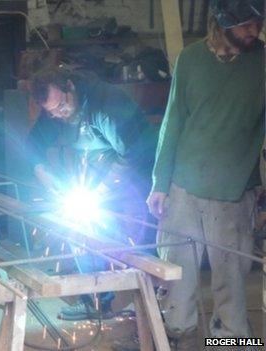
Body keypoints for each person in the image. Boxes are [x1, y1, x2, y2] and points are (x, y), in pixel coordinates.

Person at [147, 0, 264, 347]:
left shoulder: (262, 61)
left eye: (258, 23)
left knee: (232, 283)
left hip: (234, 191)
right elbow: (173, 122)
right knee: (177, 279)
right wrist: (159, 183)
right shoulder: (191, 59)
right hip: (183, 186)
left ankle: (229, 342)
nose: (253, 31)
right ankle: (178, 339)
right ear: (222, 23)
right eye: (245, 25)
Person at [27, 68, 157, 320]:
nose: (59, 114)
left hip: (139, 172)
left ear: (69, 86)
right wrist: (42, 172)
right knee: (82, 231)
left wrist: (100, 191)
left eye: (62, 106)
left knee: (139, 238)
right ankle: (96, 301)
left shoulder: (106, 106)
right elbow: (32, 144)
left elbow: (133, 156)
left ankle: (155, 308)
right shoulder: (55, 111)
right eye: (53, 112)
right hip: (99, 171)